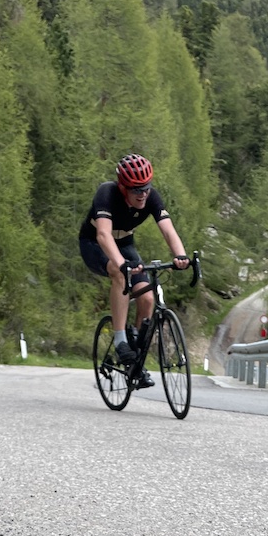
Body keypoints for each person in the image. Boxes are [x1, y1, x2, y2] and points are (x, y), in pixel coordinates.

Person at [79, 154, 190, 390]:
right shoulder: (107, 193)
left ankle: (135, 361)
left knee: (147, 297)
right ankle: (120, 340)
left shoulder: (151, 196)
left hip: (126, 244)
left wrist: (180, 255)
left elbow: (168, 230)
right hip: (95, 245)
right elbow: (103, 235)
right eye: (136, 189)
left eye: (146, 188)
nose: (142, 194)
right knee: (120, 274)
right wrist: (121, 263)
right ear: (123, 187)